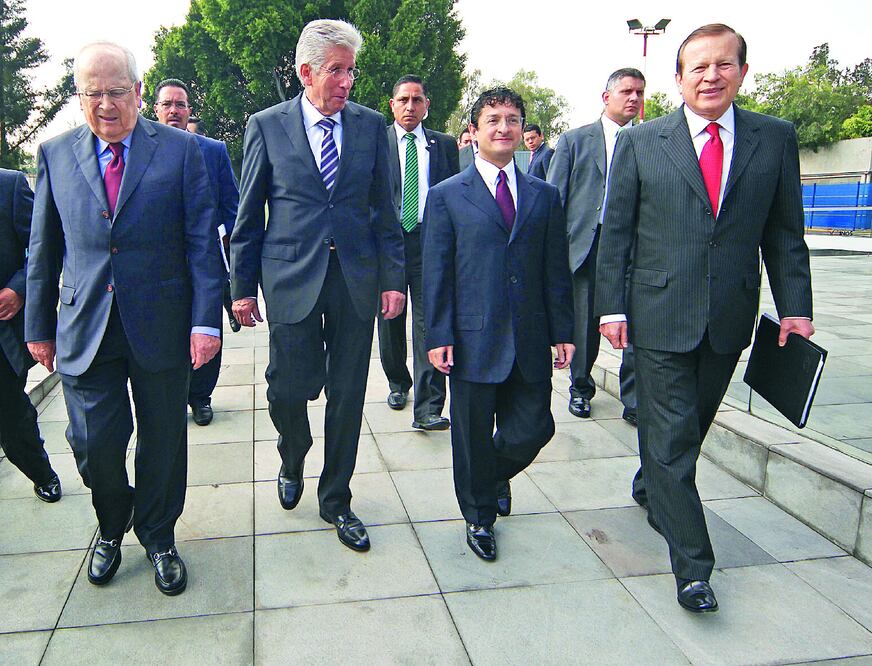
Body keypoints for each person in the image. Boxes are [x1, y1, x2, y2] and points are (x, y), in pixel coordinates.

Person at [595, 24, 814, 613]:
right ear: (678, 78)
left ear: (742, 71)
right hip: (658, 313)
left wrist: (795, 309)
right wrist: (610, 307)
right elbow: (615, 233)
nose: (710, 76)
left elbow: (785, 232)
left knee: (686, 433)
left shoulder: (774, 139)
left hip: (728, 318)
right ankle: (693, 566)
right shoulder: (644, 143)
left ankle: (650, 488)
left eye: (723, 65)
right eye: (698, 66)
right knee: (670, 438)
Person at [25, 41, 223, 596]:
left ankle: (159, 535)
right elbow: (43, 249)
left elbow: (200, 244)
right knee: (94, 444)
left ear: (139, 91)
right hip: (85, 326)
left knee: (163, 438)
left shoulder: (181, 151)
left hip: (161, 325)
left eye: (117, 92)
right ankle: (113, 523)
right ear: (79, 96)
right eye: (94, 93)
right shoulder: (55, 154)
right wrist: (37, 327)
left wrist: (205, 321)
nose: (106, 104)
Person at [230, 19, 405, 553]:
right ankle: (293, 449)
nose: (346, 81)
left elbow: (386, 210)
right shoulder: (266, 125)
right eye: (336, 70)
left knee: (348, 394)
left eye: (351, 70)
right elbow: (249, 212)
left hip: (355, 278)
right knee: (287, 387)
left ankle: (337, 499)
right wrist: (241, 288)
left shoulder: (373, 127)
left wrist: (393, 278)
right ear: (306, 72)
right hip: (289, 278)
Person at [423, 87, 574, 561]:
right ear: (474, 131)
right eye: (493, 119)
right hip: (471, 337)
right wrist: (438, 335)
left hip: (529, 335)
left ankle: (490, 474)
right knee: (470, 434)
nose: (503, 128)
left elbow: (555, 268)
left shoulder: (544, 196)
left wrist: (563, 331)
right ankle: (479, 516)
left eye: (512, 119)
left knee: (534, 427)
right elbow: (437, 271)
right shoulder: (446, 196)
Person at [547, 68, 645, 423]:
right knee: (585, 325)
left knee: (635, 323)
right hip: (587, 245)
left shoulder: (650, 140)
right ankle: (580, 389)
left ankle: (634, 399)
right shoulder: (575, 140)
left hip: (634, 248)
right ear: (607, 98)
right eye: (626, 92)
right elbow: (554, 198)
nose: (633, 98)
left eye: (639, 92)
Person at [153, 78, 240, 426]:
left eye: (180, 104)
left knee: (207, 327)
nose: (174, 110)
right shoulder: (142, 151)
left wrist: (235, 258)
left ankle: (201, 396)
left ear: (189, 111)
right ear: (156, 110)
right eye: (167, 104)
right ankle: (171, 393)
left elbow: (232, 206)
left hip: (206, 258)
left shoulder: (213, 150)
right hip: (160, 264)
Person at [378, 75, 459, 430]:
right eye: (403, 100)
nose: (410, 106)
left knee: (430, 323)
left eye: (417, 100)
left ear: (427, 105)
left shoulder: (444, 145)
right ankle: (398, 382)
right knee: (390, 320)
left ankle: (429, 406)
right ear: (392, 104)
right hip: (390, 244)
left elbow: (455, 196)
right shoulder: (376, 142)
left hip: (430, 242)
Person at [0, 168, 61, 503]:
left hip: (2, 323)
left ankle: (40, 472)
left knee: (10, 414)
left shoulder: (8, 185)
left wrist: (18, 289)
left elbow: (43, 245)